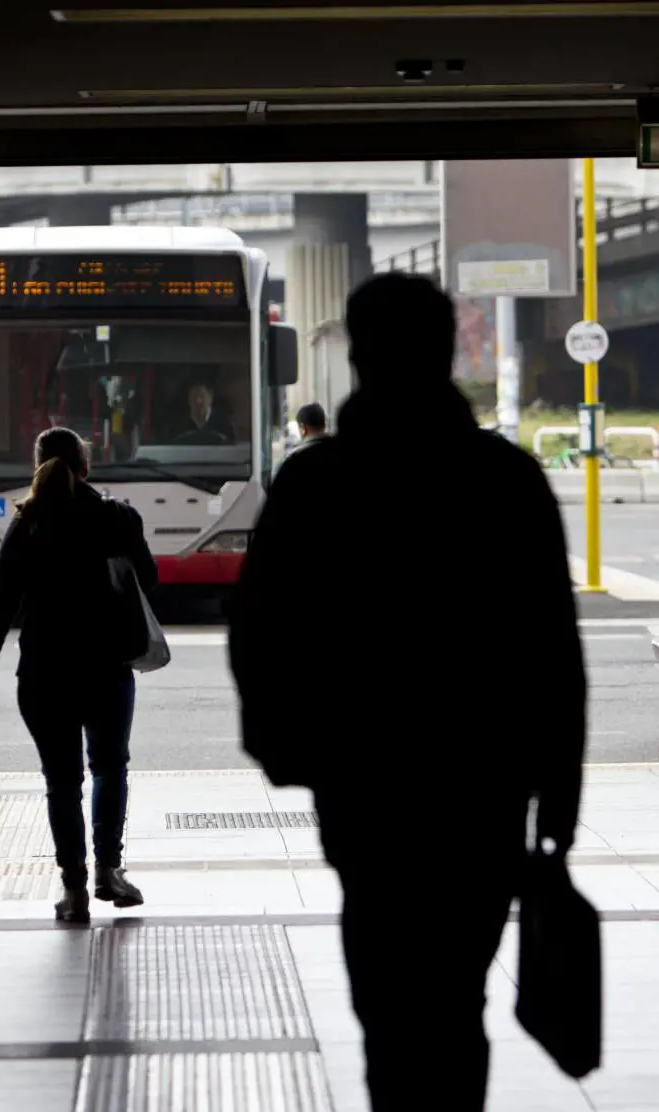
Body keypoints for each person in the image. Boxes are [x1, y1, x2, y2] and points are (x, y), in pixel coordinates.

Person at [227, 272, 586, 1111]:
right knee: (456, 997)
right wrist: (557, 799)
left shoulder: (317, 486)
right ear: (450, 350)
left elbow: (260, 630)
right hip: (483, 787)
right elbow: (552, 655)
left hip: (364, 784)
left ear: (357, 355)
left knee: (387, 1001)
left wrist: (288, 750)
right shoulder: (506, 480)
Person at [0, 426, 158, 924]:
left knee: (62, 782)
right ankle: (108, 871)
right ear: (85, 467)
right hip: (106, 669)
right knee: (110, 767)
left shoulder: (27, 524)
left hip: (44, 674)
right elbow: (150, 581)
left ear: (37, 466)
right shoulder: (115, 518)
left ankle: (74, 892)